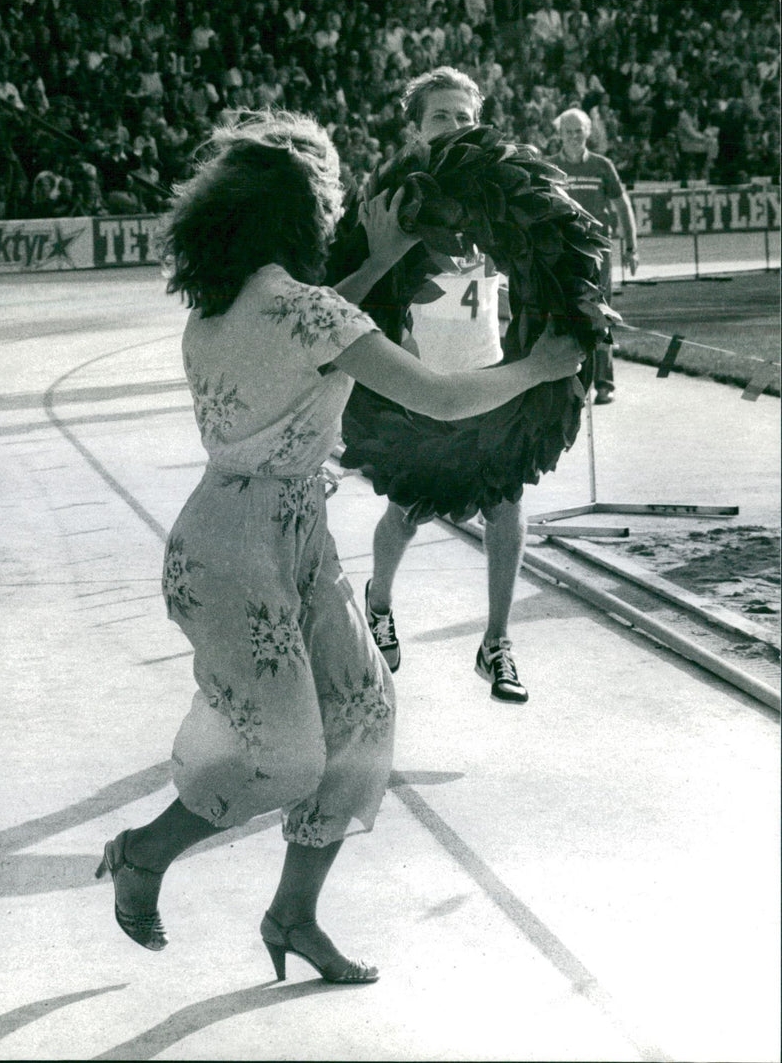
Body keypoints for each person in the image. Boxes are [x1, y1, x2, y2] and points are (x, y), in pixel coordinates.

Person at [94, 109, 582, 982]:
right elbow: (435, 394)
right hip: (240, 557)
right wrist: (539, 370)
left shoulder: (226, 308)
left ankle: (293, 914)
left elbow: (311, 338)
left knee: (363, 713)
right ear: (300, 215)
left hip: (265, 536)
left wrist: (387, 258)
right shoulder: (305, 310)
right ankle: (144, 851)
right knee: (284, 757)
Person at [360, 66, 541, 705]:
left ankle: (496, 642)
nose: (457, 127)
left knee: (506, 507)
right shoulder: (397, 194)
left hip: (489, 373)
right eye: (442, 116)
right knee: (408, 509)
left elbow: (520, 280)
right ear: (416, 126)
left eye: (466, 116)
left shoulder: (502, 195)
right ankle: (377, 602)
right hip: (419, 380)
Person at [548, 107, 639, 405]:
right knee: (563, 314)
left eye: (578, 131)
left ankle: (604, 382)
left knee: (601, 314)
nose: (574, 137)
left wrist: (631, 247)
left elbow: (622, 206)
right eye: (568, 131)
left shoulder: (602, 166)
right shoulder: (549, 168)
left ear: (588, 132)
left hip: (598, 252)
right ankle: (569, 382)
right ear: (559, 134)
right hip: (564, 252)